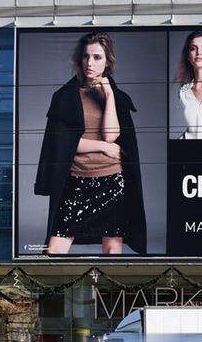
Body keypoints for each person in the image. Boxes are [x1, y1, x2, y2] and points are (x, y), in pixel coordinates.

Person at [34, 31, 147, 256]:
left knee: (112, 249)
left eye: (97, 57)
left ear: (107, 62)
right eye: (86, 56)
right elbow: (63, 144)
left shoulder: (117, 97)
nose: (90, 63)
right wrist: (103, 148)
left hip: (112, 182)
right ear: (79, 59)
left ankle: (108, 293)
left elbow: (111, 135)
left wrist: (109, 95)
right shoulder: (65, 96)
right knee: (54, 249)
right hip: (75, 182)